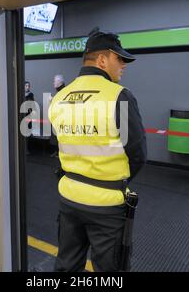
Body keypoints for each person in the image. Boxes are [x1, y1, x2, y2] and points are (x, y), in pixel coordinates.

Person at [48, 28, 147, 272]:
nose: (123, 65)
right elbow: (137, 154)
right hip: (107, 205)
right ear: (102, 60)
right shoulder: (119, 97)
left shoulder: (59, 98)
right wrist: (113, 180)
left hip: (68, 198)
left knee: (67, 266)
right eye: (119, 58)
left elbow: (58, 143)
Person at [49, 74, 65, 157]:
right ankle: (58, 152)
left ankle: (60, 153)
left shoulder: (62, 92)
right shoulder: (61, 91)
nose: (53, 83)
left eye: (55, 81)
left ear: (60, 82)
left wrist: (52, 101)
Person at [24, 81, 35, 155]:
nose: (28, 87)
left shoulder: (30, 95)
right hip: (22, 117)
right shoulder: (20, 93)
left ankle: (26, 149)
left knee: (27, 133)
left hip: (28, 116)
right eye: (26, 86)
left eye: (29, 86)